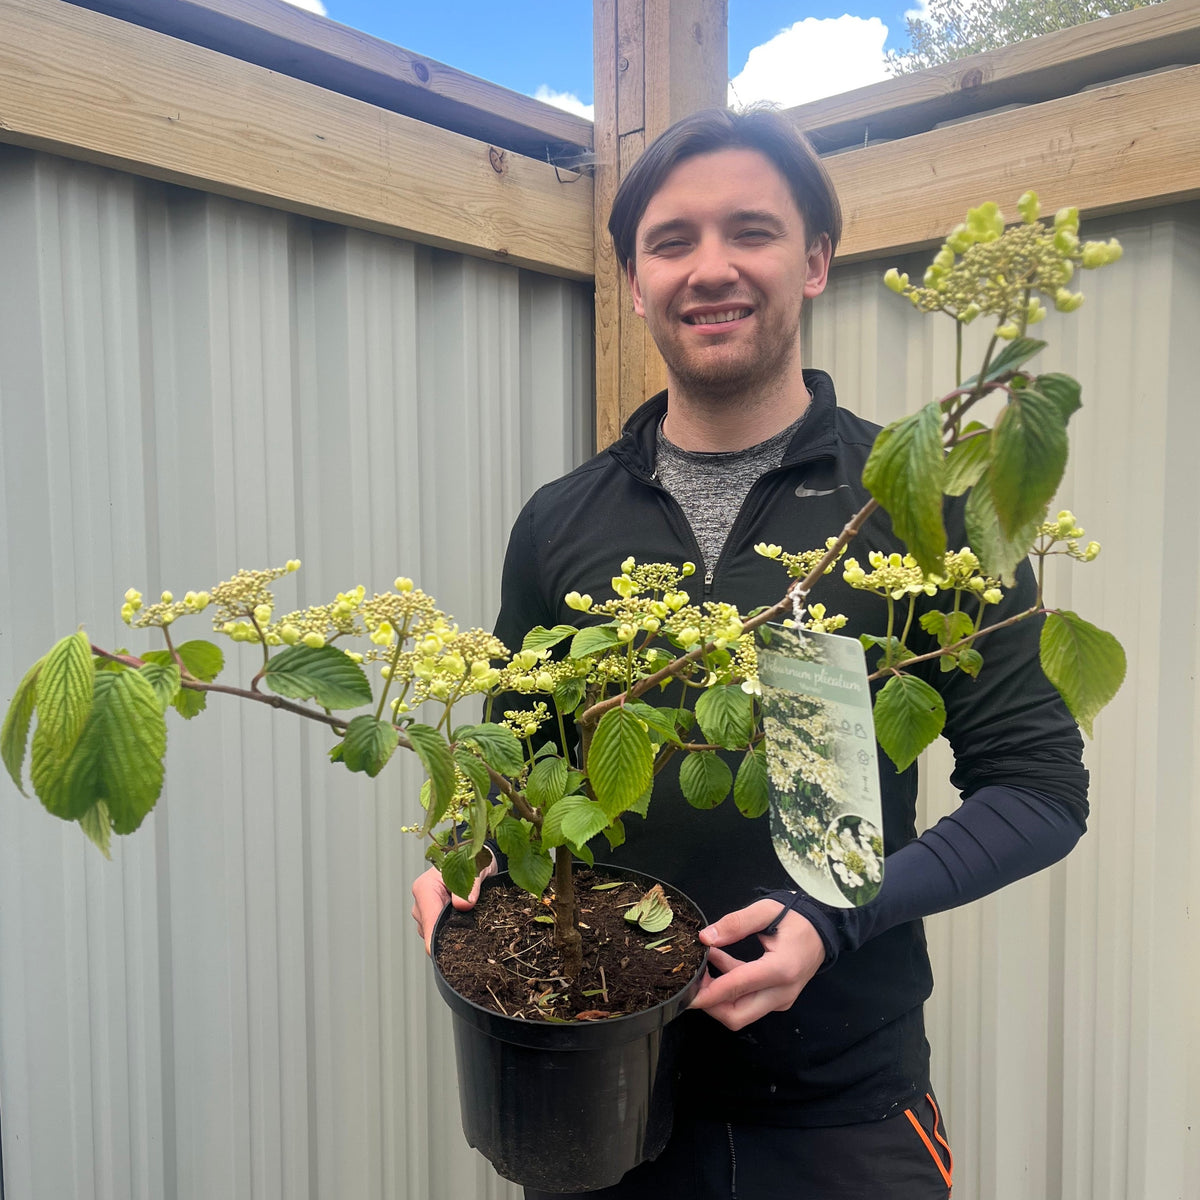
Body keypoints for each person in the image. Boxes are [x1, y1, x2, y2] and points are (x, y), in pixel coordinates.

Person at [412, 106, 1088, 1199]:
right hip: (596, 1090)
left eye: (752, 231)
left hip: (843, 1112)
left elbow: (1042, 790)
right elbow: (515, 763)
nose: (710, 268)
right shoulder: (560, 522)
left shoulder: (915, 506)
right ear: (634, 280)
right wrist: (468, 860)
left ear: (815, 260)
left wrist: (835, 919)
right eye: (672, 241)